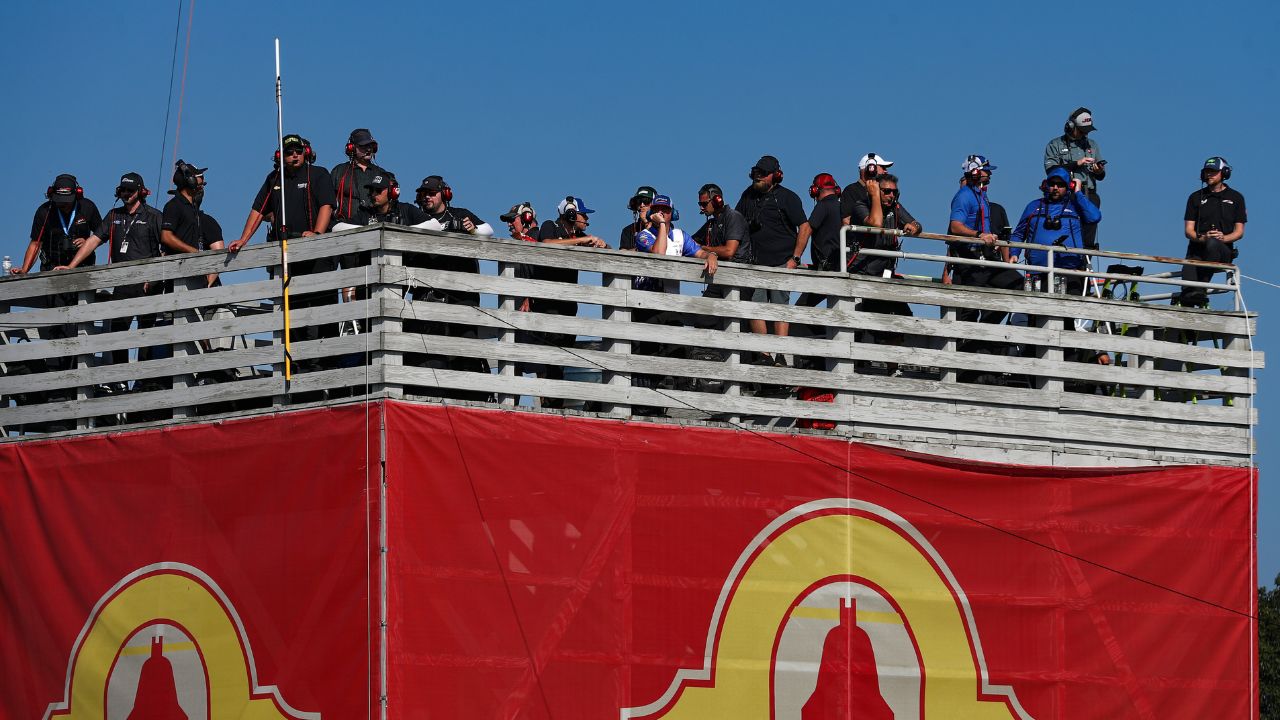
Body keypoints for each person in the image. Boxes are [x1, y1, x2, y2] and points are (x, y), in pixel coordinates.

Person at [228, 134, 337, 359]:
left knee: (318, 311)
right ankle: (295, 362)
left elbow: (327, 205)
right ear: (281, 156)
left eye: (298, 151)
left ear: (305, 152)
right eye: (289, 152)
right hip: (288, 257)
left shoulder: (319, 174)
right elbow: (258, 210)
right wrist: (243, 239)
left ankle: (323, 362)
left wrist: (316, 234)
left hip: (316, 257)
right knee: (292, 313)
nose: (294, 155)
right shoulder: (274, 178)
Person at [55, 172, 165, 369]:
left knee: (146, 333)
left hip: (147, 284)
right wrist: (71, 266)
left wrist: (155, 278)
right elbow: (93, 241)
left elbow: (165, 249)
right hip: (122, 284)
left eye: (130, 190)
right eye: (123, 190)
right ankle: (120, 378)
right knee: (117, 332)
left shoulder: (154, 216)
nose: (126, 193)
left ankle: (145, 380)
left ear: (140, 192)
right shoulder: (114, 215)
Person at [12, 174, 102, 372]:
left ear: (77, 195)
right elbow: (36, 242)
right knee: (57, 323)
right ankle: (56, 373)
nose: (63, 206)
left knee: (80, 323)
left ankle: (81, 370)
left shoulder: (88, 207)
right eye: (59, 203)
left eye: (67, 203)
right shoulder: (44, 212)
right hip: (53, 273)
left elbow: (100, 235)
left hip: (81, 272)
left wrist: (85, 243)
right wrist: (24, 270)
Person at [530, 197, 608, 406]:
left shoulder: (580, 235)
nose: (586, 219)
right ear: (571, 214)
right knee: (550, 359)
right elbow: (546, 244)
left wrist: (602, 245)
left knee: (564, 356)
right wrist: (581, 241)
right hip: (549, 306)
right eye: (583, 215)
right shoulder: (550, 226)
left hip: (568, 307)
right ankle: (549, 403)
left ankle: (556, 402)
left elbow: (608, 252)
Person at [735, 155, 811, 345]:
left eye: (763, 174)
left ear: (776, 176)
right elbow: (736, 221)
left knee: (780, 310)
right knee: (755, 308)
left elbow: (805, 226)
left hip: (781, 262)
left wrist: (795, 258)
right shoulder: (748, 194)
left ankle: (780, 355)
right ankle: (765, 354)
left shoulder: (788, 197)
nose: (758, 177)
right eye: (756, 173)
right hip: (755, 264)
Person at [946, 155, 1022, 321]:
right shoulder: (964, 196)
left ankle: (983, 336)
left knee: (1017, 285)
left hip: (985, 260)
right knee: (969, 312)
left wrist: (990, 235)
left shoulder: (979, 194)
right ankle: (969, 343)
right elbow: (955, 226)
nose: (989, 174)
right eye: (986, 171)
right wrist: (980, 235)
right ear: (975, 172)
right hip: (972, 263)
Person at [1011, 165, 1102, 292]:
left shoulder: (1076, 207)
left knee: (1069, 309)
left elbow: (1095, 217)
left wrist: (1078, 193)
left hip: (1070, 272)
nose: (1055, 188)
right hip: (1037, 272)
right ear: (1046, 185)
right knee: (1037, 311)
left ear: (1069, 186)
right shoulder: (1033, 206)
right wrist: (1014, 253)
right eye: (1052, 184)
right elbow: (1018, 234)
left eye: (1060, 185)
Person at [1181, 156, 1245, 307]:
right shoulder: (1195, 197)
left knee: (1213, 244)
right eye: (1206, 172)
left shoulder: (1236, 198)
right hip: (1196, 250)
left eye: (1213, 172)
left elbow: (1239, 232)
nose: (1209, 175)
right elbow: (1188, 231)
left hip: (1223, 250)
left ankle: (1201, 290)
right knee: (1187, 294)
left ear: (1224, 173)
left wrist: (1223, 237)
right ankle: (1189, 314)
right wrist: (1203, 237)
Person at [1044, 107, 1105, 249]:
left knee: (1089, 233)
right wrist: (1077, 163)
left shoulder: (1092, 145)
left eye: (1087, 130)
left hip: (1089, 194)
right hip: (1066, 196)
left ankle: (1086, 261)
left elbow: (1101, 176)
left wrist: (1098, 170)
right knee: (1067, 231)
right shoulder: (1055, 145)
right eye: (1082, 130)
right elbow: (1051, 171)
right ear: (1070, 126)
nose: (1085, 134)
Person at [161, 160, 225, 287]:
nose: (202, 180)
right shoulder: (174, 206)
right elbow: (166, 237)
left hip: (196, 276)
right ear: (189, 180)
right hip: (180, 276)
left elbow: (219, 254)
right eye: (198, 177)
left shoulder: (192, 209)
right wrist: (195, 252)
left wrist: (208, 282)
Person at [632, 194, 718, 282]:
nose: (660, 212)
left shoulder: (680, 235)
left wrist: (711, 255)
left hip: (671, 293)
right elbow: (659, 254)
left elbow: (700, 253)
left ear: (672, 213)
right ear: (651, 213)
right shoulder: (643, 235)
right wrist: (662, 223)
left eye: (665, 209)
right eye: (656, 209)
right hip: (644, 292)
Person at [330, 128, 385, 225]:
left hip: (374, 228)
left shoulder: (381, 174)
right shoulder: (339, 171)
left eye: (370, 145)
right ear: (352, 148)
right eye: (363, 146)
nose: (368, 149)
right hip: (345, 228)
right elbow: (328, 203)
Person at [840, 152, 893, 227]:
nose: (886, 171)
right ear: (871, 168)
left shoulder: (885, 192)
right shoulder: (851, 191)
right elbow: (846, 221)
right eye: (883, 168)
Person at [620, 185, 656, 250]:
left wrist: (646, 222)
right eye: (639, 202)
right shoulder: (628, 230)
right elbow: (623, 253)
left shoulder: (663, 227)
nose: (642, 205)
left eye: (646, 201)